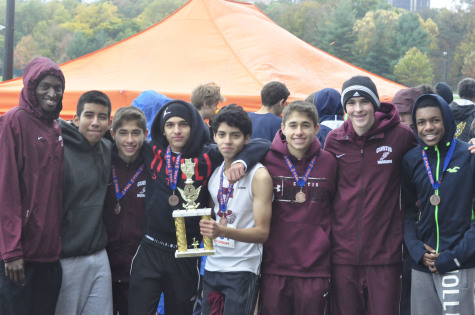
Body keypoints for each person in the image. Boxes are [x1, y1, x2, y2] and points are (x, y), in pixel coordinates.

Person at [128, 100, 269, 315]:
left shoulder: (209, 155)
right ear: (162, 129)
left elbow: (262, 144)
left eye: (183, 124)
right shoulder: (150, 149)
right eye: (170, 125)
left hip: (188, 251)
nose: (177, 130)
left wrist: (243, 161)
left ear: (193, 127)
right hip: (151, 248)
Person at [324, 76, 418, 315]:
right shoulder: (334, 140)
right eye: (351, 102)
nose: (358, 109)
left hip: (386, 254)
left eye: (364, 101)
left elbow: (430, 159)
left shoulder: (401, 135)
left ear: (374, 103)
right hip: (342, 255)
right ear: (344, 107)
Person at [259, 101, 337, 315]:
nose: (299, 132)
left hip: (316, 267)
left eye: (305, 125)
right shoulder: (265, 159)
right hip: (274, 265)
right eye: (293, 125)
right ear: (282, 128)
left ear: (316, 129)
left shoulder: (329, 162)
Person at [0, 57, 65, 315]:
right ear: (30, 88)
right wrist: (12, 251)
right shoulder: (14, 121)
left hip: (49, 254)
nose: (52, 93)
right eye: (45, 86)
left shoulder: (56, 128)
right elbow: (6, 189)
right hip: (19, 256)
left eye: (58, 87)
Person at [402, 94, 475, 314]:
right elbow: (407, 210)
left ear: (446, 120)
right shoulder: (411, 159)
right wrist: (415, 250)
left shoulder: (468, 155)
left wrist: (455, 255)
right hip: (422, 264)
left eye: (435, 120)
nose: (428, 127)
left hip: (460, 261)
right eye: (421, 122)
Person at [198, 105, 273, 314]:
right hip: (212, 267)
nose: (227, 141)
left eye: (235, 135)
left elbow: (262, 233)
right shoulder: (215, 173)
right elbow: (213, 218)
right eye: (221, 134)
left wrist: (223, 231)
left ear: (247, 138)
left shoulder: (259, 176)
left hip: (243, 269)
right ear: (214, 136)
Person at [55, 90, 113, 315]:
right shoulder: (57, 149)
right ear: (77, 119)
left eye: (102, 117)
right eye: (89, 115)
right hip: (66, 258)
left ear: (109, 122)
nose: (95, 122)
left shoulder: (108, 149)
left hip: (99, 253)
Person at [103, 107, 148, 315]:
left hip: (139, 269)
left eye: (135, 133)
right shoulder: (102, 161)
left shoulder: (153, 166)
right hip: (104, 268)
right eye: (123, 133)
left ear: (145, 134)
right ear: (113, 134)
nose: (129, 140)